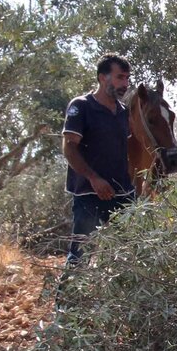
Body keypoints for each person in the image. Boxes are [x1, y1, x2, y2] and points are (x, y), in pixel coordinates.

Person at [62, 53, 135, 265]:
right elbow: (69, 148)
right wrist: (93, 178)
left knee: (133, 254)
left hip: (122, 195)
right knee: (80, 257)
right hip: (89, 195)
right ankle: (67, 299)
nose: (125, 83)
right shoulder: (82, 106)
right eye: (120, 77)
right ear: (103, 78)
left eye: (127, 78)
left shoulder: (123, 113)